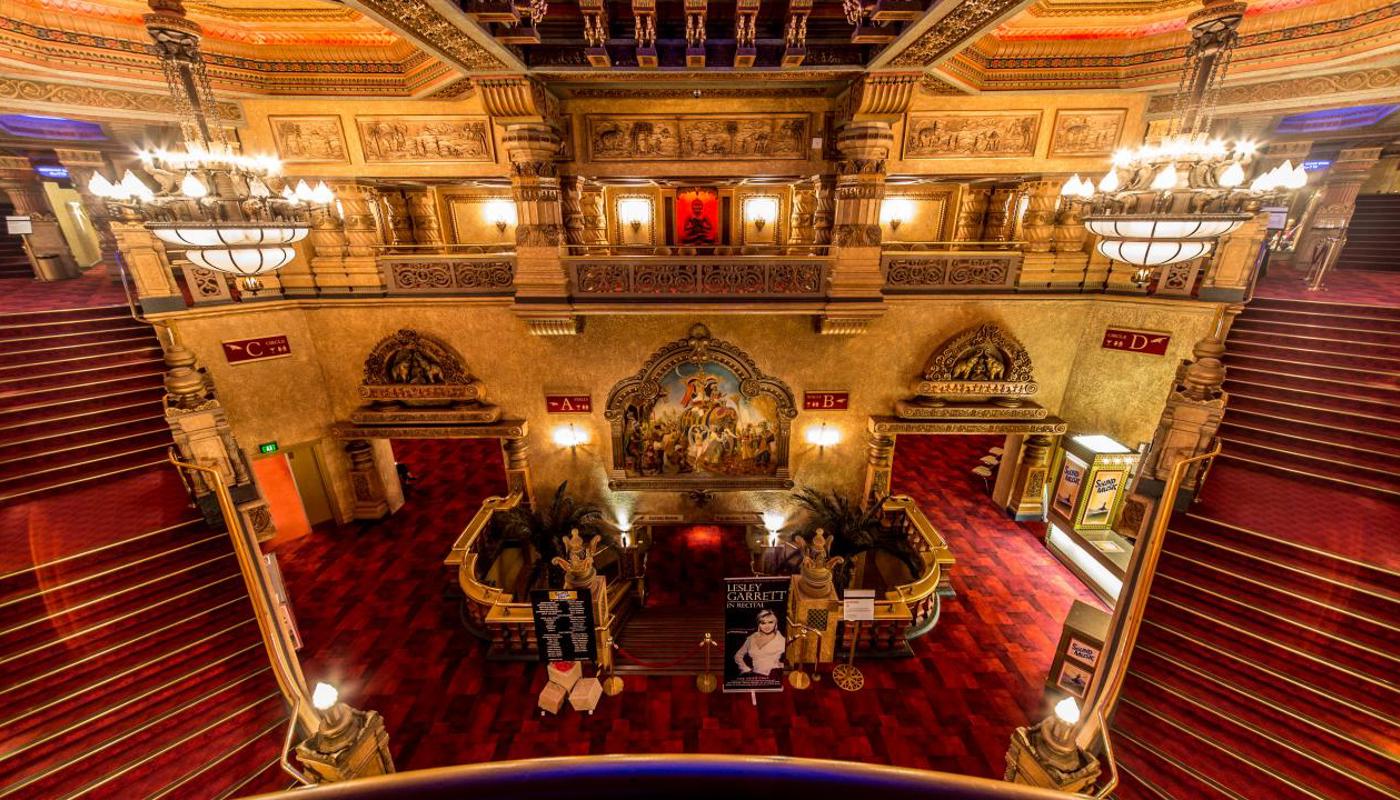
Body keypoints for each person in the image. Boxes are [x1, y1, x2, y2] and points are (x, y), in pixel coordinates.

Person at [733, 609, 785, 677]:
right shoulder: (752, 638)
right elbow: (738, 656)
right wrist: (745, 669)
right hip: (755, 676)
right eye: (763, 623)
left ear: (775, 623)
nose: (767, 626)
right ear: (758, 624)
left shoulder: (781, 640)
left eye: (770, 622)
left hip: (774, 676)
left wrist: (781, 666)